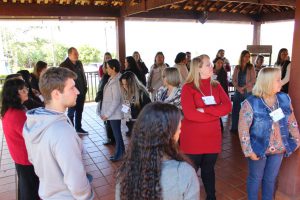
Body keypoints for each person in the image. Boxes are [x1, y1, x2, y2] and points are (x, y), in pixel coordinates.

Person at [23, 67, 94, 200]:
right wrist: (87, 195)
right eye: (72, 88)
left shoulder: (32, 122)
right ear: (56, 94)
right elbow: (76, 179)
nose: (77, 91)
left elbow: (32, 159)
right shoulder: (62, 132)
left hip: (47, 193)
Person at [116, 102, 200, 200]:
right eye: (179, 129)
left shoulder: (125, 171)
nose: (180, 132)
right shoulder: (184, 172)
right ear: (169, 135)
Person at [238, 67, 300, 200]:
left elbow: (291, 121)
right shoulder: (251, 103)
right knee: (255, 178)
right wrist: (248, 151)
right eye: (278, 80)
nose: (281, 82)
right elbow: (243, 128)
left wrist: (296, 140)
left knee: (270, 179)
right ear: (267, 82)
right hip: (258, 149)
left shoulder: (284, 99)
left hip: (278, 149)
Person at [180, 55, 232, 200]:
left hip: (212, 138)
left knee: (209, 170)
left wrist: (206, 110)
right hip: (193, 139)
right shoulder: (188, 87)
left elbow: (227, 107)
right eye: (208, 64)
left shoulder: (216, 85)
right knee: (190, 171)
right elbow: (190, 114)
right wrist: (216, 113)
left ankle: (211, 196)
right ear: (198, 68)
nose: (212, 66)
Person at [1, 78, 40, 200]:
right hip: (25, 157)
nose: (26, 91)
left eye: (26, 88)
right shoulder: (17, 114)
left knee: (26, 186)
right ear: (14, 94)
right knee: (30, 190)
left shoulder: (11, 109)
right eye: (23, 90)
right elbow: (33, 135)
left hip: (20, 156)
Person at [60, 47, 88, 134]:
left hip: (81, 91)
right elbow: (63, 80)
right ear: (69, 55)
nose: (77, 55)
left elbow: (83, 76)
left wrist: (85, 87)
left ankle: (78, 128)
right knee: (71, 112)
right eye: (75, 53)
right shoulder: (63, 65)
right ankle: (70, 130)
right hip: (71, 93)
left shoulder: (79, 63)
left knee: (80, 111)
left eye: (77, 53)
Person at [100, 59, 124, 162]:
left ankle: (119, 154)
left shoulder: (117, 81)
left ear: (113, 68)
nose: (106, 69)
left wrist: (107, 114)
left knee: (117, 135)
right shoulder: (112, 78)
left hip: (115, 113)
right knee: (117, 134)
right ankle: (121, 152)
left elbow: (116, 100)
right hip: (112, 113)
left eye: (108, 67)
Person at [231, 50, 256, 134]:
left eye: (249, 56)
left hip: (247, 91)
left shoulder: (251, 67)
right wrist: (238, 88)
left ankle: (246, 128)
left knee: (247, 111)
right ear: (242, 57)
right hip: (238, 91)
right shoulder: (237, 67)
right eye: (246, 56)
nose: (248, 58)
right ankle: (234, 127)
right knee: (235, 110)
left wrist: (243, 87)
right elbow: (233, 79)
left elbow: (253, 80)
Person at [119, 71, 151, 136]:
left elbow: (149, 112)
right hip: (131, 125)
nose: (125, 87)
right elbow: (125, 108)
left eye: (126, 84)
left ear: (132, 84)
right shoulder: (126, 92)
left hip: (141, 127)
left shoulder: (142, 94)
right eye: (123, 84)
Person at [95, 62, 115, 145]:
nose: (104, 68)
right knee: (108, 121)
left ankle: (111, 139)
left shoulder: (107, 78)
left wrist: (97, 98)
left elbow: (101, 90)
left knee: (107, 121)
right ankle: (111, 138)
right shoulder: (107, 77)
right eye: (103, 67)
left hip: (106, 101)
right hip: (106, 101)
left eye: (105, 67)